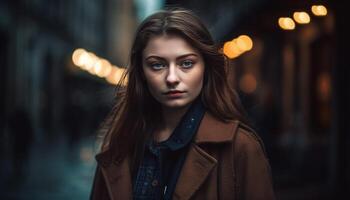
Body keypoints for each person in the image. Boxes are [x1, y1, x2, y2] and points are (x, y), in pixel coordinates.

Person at [90, 8, 275, 200]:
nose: (171, 78)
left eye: (186, 63)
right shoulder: (118, 146)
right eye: (157, 65)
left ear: (206, 67)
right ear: (142, 73)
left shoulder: (241, 148)